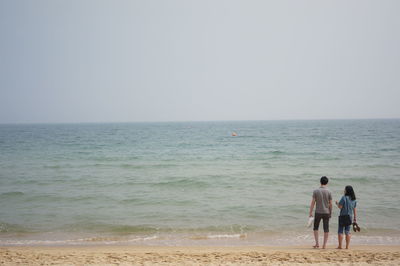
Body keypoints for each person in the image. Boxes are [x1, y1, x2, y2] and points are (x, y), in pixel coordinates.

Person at [309, 176, 332, 249]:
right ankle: (324, 245)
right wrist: (330, 212)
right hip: (326, 212)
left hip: (318, 212)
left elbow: (313, 203)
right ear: (327, 182)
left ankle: (317, 244)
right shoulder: (329, 191)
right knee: (326, 229)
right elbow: (330, 204)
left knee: (315, 228)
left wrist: (310, 212)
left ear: (320, 182)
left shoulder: (316, 191)